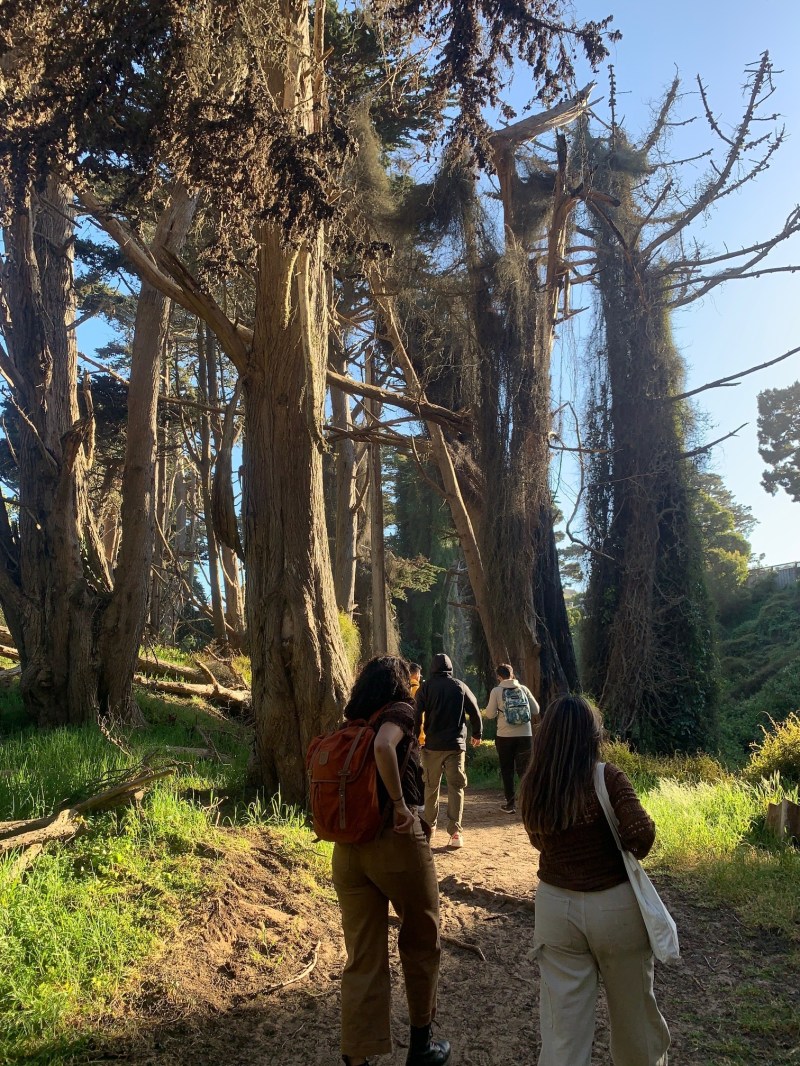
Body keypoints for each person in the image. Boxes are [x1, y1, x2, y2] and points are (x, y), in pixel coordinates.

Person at [519, 695, 670, 1066]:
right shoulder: (607, 776)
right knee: (635, 1021)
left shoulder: (536, 783)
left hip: (555, 908)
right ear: (592, 735)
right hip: (614, 906)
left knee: (562, 1033)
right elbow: (642, 835)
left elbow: (537, 838)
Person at [332, 656, 451, 1066]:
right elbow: (385, 745)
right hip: (393, 841)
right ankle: (421, 1047)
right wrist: (400, 805)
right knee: (421, 937)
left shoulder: (352, 720)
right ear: (400, 683)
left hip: (347, 850)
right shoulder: (399, 709)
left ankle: (357, 1058)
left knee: (362, 955)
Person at [415, 652, 482, 849]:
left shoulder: (425, 688)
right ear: (450, 668)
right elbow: (475, 710)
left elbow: (416, 714)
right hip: (455, 746)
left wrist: (415, 736)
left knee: (431, 787)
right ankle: (455, 833)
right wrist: (477, 733)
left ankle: (428, 828)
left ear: (432, 668)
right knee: (456, 788)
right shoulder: (460, 686)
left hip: (432, 746)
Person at [482, 663, 539, 814]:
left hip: (505, 736)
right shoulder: (524, 689)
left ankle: (510, 804)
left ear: (499, 676)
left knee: (507, 770)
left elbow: (489, 714)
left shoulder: (497, 691)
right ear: (512, 674)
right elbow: (536, 710)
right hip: (525, 735)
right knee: (525, 770)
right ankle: (531, 802)